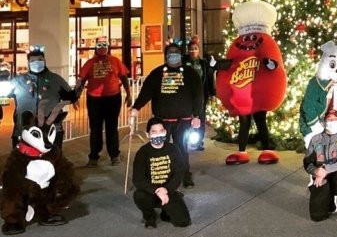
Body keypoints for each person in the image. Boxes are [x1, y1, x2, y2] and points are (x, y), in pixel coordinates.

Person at [130, 42, 203, 187]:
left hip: (183, 120)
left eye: (176, 52)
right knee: (160, 151)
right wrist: (136, 107)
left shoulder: (190, 74)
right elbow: (146, 92)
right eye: (170, 52)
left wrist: (197, 115)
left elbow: (198, 96)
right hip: (162, 122)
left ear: (181, 54)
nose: (173, 55)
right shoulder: (157, 74)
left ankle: (185, 175)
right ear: (166, 55)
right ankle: (161, 178)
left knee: (181, 150)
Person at [76, 35, 132, 166]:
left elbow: (124, 78)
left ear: (108, 47)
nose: (102, 48)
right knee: (95, 128)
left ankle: (114, 155)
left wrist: (129, 94)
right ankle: (94, 156)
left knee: (112, 127)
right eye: (99, 46)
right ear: (95, 47)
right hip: (94, 99)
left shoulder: (115, 61)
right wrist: (76, 97)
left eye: (104, 45)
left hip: (113, 98)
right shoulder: (90, 63)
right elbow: (82, 80)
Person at [6, 46, 77, 149]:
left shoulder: (56, 80)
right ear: (28, 62)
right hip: (24, 129)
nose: (37, 62)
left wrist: (75, 96)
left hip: (51, 129)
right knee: (22, 160)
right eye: (33, 60)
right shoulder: (19, 81)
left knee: (52, 160)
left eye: (40, 59)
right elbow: (5, 94)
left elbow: (70, 96)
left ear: (45, 60)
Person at [132, 117, 191, 229]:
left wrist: (166, 189)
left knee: (183, 222)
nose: (158, 135)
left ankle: (166, 211)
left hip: (168, 191)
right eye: (154, 132)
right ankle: (149, 216)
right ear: (148, 134)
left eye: (161, 131)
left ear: (165, 132)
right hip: (150, 192)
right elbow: (138, 179)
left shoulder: (173, 149)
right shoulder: (143, 152)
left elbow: (179, 173)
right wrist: (157, 190)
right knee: (139, 196)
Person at [303, 110, 337, 223]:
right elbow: (307, 162)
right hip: (320, 177)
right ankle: (329, 202)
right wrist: (316, 171)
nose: (332, 122)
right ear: (324, 122)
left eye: (335, 119)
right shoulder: (315, 139)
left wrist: (325, 170)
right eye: (329, 119)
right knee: (317, 217)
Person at [183, 37, 212, 151]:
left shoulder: (203, 63)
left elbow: (208, 79)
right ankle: (185, 140)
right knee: (186, 118)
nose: (193, 51)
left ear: (199, 50)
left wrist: (211, 92)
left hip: (200, 95)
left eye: (195, 49)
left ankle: (199, 141)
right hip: (186, 95)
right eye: (191, 49)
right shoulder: (184, 63)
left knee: (200, 118)